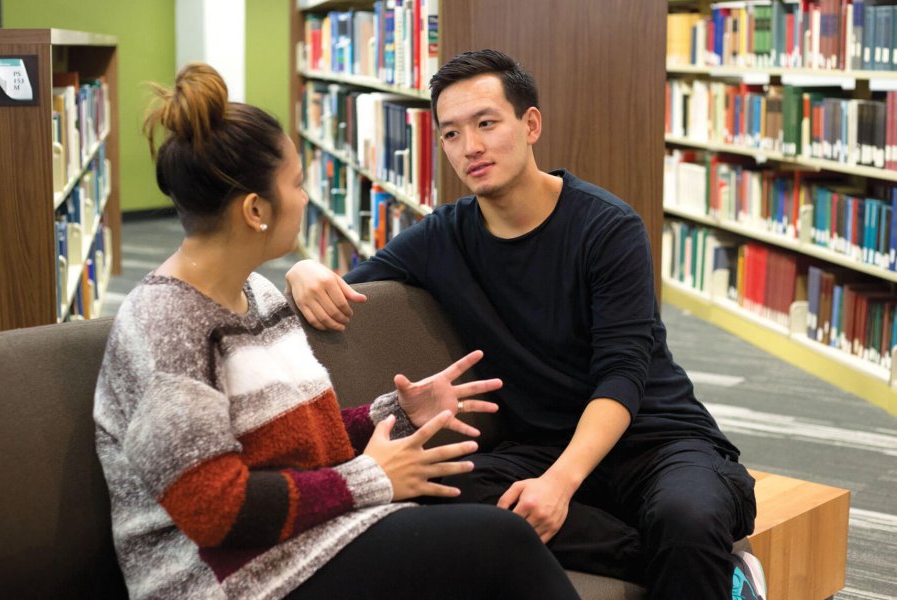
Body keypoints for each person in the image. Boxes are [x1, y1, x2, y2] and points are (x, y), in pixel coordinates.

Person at [287, 49, 768, 600]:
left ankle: (689, 545)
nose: (470, 147)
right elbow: (348, 287)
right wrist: (304, 268)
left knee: (686, 513)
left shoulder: (608, 228)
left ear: (530, 124)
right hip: (537, 442)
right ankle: (702, 565)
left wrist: (560, 484)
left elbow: (621, 376)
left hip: (652, 437)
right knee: (428, 486)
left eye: (487, 123)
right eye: (450, 134)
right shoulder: (440, 236)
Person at [93, 62, 580, 600]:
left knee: (491, 539)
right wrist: (373, 476)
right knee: (501, 543)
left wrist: (396, 412)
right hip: (226, 580)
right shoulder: (166, 327)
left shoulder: (259, 294)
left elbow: (301, 441)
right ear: (256, 209)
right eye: (297, 184)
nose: (305, 198)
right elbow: (214, 510)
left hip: (306, 544)